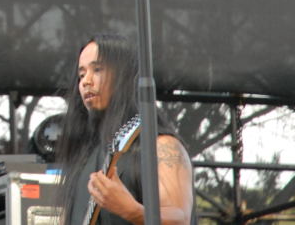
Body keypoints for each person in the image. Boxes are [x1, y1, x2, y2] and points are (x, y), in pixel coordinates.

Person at [54, 33, 195, 225]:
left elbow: (180, 218)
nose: (86, 81)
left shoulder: (162, 146)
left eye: (97, 69)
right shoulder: (84, 157)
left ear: (125, 77)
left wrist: (132, 211)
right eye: (81, 74)